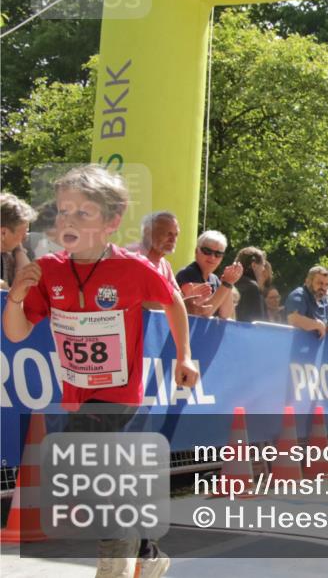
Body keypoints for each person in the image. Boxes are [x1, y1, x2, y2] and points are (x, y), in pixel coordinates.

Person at [1, 164, 197, 578]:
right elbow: (16, 334)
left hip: (118, 394)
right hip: (76, 394)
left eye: (82, 212)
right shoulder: (48, 270)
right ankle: (146, 552)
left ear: (111, 221)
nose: (68, 220)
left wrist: (185, 355)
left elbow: (174, 301)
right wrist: (16, 297)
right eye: (62, 210)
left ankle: (115, 568)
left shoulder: (133, 268)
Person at [175, 230, 241, 319]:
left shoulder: (215, 279)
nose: (212, 257)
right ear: (196, 251)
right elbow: (204, 312)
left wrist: (228, 282)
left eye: (218, 254)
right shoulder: (187, 273)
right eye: (207, 251)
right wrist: (226, 284)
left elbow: (226, 314)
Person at [1, 192, 37, 289]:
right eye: (23, 232)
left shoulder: (6, 256)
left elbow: (28, 285)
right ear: (3, 233)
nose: (25, 238)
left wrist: (18, 250)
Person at [234, 246, 268, 322]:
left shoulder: (230, 282)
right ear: (254, 265)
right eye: (263, 265)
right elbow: (257, 322)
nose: (263, 269)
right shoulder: (252, 288)